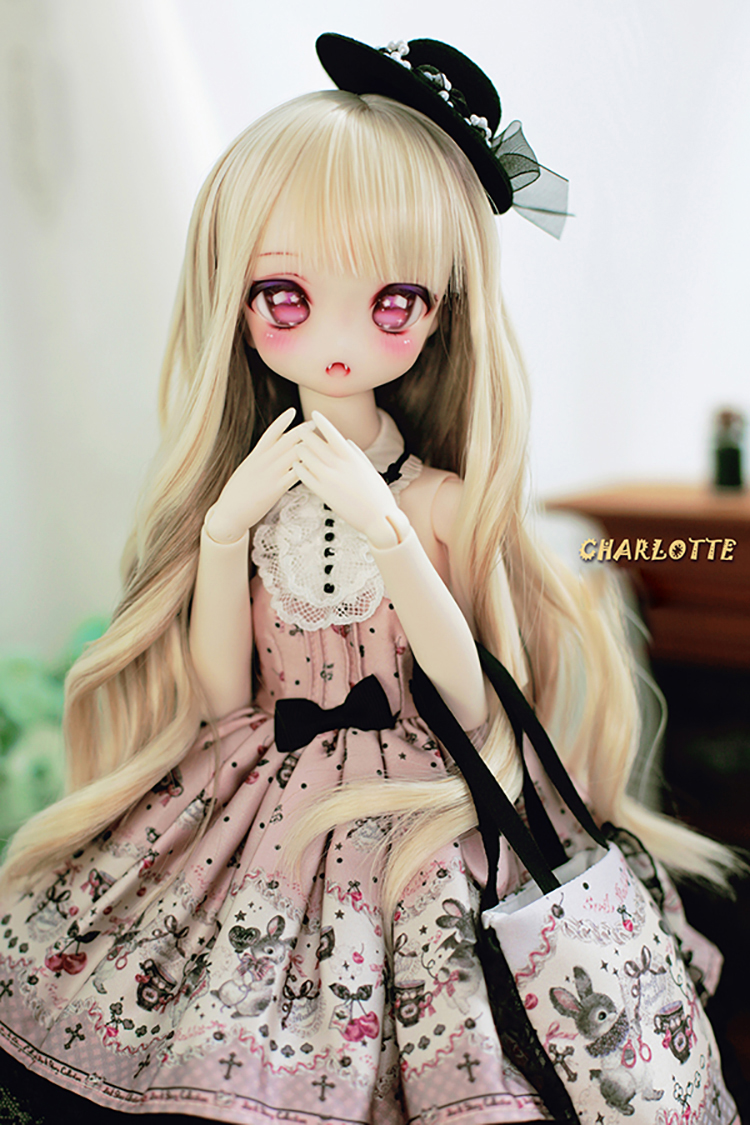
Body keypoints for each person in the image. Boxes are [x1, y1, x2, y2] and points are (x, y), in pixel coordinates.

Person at [0, 34, 738, 1125]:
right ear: (235, 299)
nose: (340, 339)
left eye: (393, 302)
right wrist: (224, 534)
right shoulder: (250, 497)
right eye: (285, 295)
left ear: (438, 313)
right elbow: (224, 701)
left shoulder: (438, 501)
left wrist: (391, 531)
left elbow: (477, 699)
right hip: (258, 786)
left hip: (424, 800)